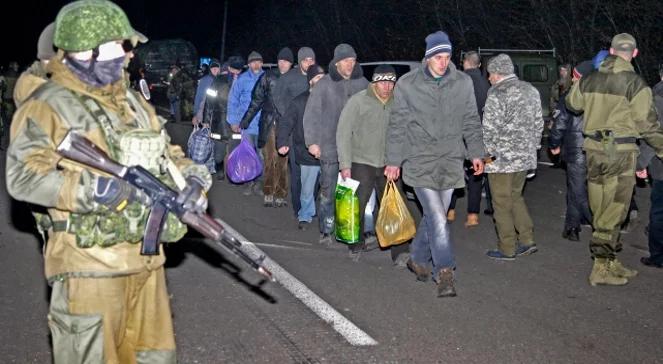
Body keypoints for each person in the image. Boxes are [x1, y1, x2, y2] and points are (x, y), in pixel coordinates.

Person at [5, 1, 212, 362]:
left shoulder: (132, 102)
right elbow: (21, 178)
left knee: (156, 357)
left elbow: (167, 153)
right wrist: (93, 190)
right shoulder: (48, 104)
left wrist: (192, 178)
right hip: (88, 266)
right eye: (120, 47)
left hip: (146, 262)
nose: (127, 56)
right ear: (86, 52)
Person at [385, 31, 485, 297]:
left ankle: (417, 258)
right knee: (438, 218)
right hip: (419, 161)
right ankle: (445, 272)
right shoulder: (408, 84)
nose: (443, 62)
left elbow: (471, 121)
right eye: (438, 57)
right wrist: (393, 160)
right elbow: (397, 126)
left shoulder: (462, 83)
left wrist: (476, 152)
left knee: (434, 218)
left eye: (447, 56)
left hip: (450, 160)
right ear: (428, 57)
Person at [567, 33, 663, 286]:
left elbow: (572, 104)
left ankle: (609, 260)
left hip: (595, 150)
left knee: (600, 206)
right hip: (619, 152)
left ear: (611, 51)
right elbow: (648, 124)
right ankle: (600, 267)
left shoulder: (591, 78)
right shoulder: (634, 83)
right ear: (635, 53)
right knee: (615, 209)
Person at [337, 65, 415, 263]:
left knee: (395, 205)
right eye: (383, 82)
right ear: (374, 82)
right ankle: (355, 244)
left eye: (391, 82)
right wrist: (345, 164)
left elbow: (406, 132)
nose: (387, 86)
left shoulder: (399, 102)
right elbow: (343, 133)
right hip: (361, 161)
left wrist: (400, 160)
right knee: (357, 205)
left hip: (390, 163)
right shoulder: (358, 101)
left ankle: (400, 250)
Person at [303, 44, 368, 245]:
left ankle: (354, 229)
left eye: (353, 60)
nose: (350, 64)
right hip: (330, 146)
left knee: (357, 192)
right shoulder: (325, 84)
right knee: (328, 191)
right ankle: (326, 229)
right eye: (346, 61)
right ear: (337, 63)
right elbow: (311, 114)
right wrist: (312, 142)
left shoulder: (363, 83)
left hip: (357, 148)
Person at [483, 53, 543, 261]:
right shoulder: (531, 90)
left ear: (498, 73)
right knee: (516, 197)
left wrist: (485, 159)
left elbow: (489, 131)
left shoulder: (497, 93)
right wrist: (533, 150)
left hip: (501, 160)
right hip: (525, 158)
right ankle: (527, 240)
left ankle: (507, 247)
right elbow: (538, 124)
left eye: (490, 74)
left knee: (501, 203)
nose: (489, 78)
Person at [240, 47, 293, 207]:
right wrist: (245, 120)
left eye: (287, 61)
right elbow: (256, 100)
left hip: (287, 124)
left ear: (291, 63)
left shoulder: (295, 78)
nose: (283, 64)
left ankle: (281, 193)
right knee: (270, 159)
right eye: (281, 61)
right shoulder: (268, 76)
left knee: (283, 161)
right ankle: (268, 191)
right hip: (269, 123)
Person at [549, 61, 594, 242]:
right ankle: (572, 226)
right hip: (596, 148)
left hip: (576, 149)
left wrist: (554, 144)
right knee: (583, 189)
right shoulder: (599, 96)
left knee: (577, 190)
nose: (572, 77)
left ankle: (597, 225)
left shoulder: (569, 96)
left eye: (575, 75)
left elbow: (559, 124)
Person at [277, 64, 325, 230]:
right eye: (317, 78)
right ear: (310, 80)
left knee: (324, 187)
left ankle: (325, 218)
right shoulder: (299, 101)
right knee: (306, 188)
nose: (321, 80)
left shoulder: (332, 100)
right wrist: (282, 142)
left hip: (329, 153)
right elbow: (286, 123)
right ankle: (305, 215)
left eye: (323, 77)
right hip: (306, 153)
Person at [447, 50, 492, 227]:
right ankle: (473, 214)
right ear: (480, 65)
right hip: (479, 134)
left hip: (459, 133)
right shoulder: (486, 84)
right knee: (476, 173)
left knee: (453, 170)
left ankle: (450, 210)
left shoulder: (458, 81)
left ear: (464, 63)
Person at [275, 47, 317, 215]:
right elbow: (277, 96)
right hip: (294, 131)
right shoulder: (289, 77)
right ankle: (297, 206)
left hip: (314, 132)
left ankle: (310, 204)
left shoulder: (318, 77)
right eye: (306, 60)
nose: (309, 63)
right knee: (297, 171)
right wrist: (289, 115)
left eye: (312, 60)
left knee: (314, 172)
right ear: (300, 61)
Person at [637, 65, 663, 269]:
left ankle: (658, 256)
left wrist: (641, 163)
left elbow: (651, 134)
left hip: (661, 166)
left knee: (659, 212)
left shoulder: (656, 98)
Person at [227, 51, 265, 195]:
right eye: (253, 62)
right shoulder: (241, 80)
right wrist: (233, 121)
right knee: (247, 155)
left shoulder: (266, 77)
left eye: (259, 61)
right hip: (246, 124)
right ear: (249, 64)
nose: (256, 64)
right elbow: (233, 101)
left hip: (262, 125)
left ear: (262, 63)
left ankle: (259, 182)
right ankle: (248, 182)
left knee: (261, 155)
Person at [192, 59, 231, 178]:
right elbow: (201, 99)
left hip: (220, 118)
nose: (215, 70)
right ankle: (208, 166)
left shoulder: (226, 80)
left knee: (219, 144)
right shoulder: (206, 80)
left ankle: (219, 167)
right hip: (209, 116)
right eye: (213, 68)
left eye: (217, 68)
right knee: (208, 143)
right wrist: (197, 116)